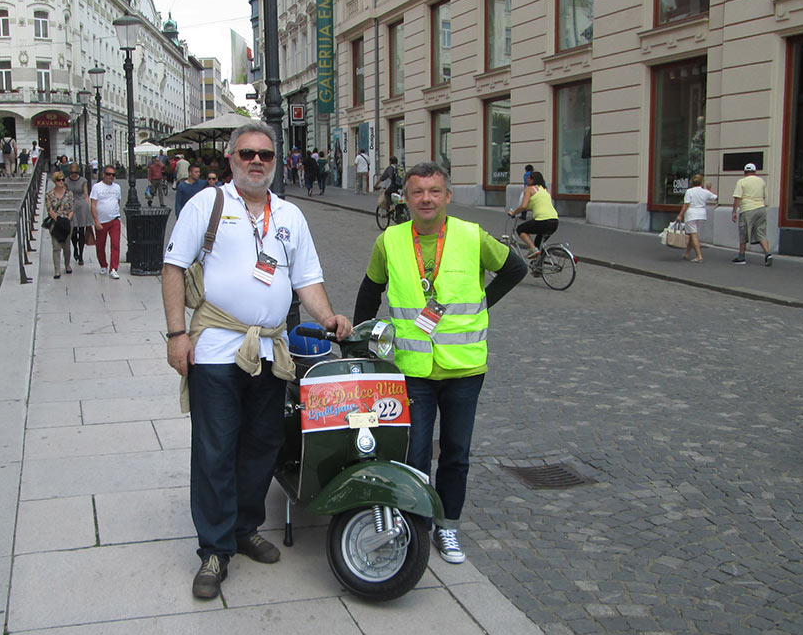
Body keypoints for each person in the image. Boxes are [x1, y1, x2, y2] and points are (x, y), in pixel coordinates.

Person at [161, 120, 353, 599]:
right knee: (215, 450)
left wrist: (329, 317)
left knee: (263, 446)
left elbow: (306, 278)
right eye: (247, 153)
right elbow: (173, 268)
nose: (256, 162)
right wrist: (176, 335)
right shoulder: (208, 204)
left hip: (270, 351)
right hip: (215, 351)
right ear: (231, 158)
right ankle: (214, 549)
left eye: (265, 155)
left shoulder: (289, 215)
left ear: (274, 161)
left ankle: (244, 528)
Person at [355, 161, 526, 564]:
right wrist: (360, 343)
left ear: (447, 196)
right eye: (417, 192)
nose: (426, 199)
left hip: (464, 368)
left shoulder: (471, 235)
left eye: (434, 191)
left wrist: (483, 304)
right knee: (414, 454)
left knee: (455, 453)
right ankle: (416, 528)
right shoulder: (390, 241)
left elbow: (514, 269)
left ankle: (447, 526)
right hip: (413, 370)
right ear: (406, 198)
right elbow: (369, 292)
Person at [507, 170, 559, 259]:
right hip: (554, 221)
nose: (527, 179)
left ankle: (532, 249)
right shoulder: (545, 189)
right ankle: (538, 264)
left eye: (529, 178)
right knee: (538, 244)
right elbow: (536, 205)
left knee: (521, 229)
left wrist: (513, 213)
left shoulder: (529, 189)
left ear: (532, 179)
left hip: (543, 221)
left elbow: (523, 206)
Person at [731, 162, 772, 266]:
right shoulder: (761, 181)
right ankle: (768, 254)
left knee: (743, 232)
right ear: (755, 171)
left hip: (747, 209)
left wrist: (734, 211)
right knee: (761, 232)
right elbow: (764, 196)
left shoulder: (741, 181)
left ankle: (741, 256)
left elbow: (737, 197)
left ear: (745, 172)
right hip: (761, 208)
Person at [90, 165, 123, 279]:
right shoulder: (97, 187)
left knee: (115, 244)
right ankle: (103, 264)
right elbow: (93, 204)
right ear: (103, 174)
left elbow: (118, 201)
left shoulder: (117, 187)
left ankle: (113, 268)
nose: (111, 176)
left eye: (113, 175)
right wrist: (96, 221)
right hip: (101, 221)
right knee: (100, 245)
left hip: (114, 219)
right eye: (108, 174)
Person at [676, 173, 717, 262]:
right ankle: (687, 253)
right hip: (701, 215)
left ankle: (699, 256)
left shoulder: (689, 191)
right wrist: (709, 189)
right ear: (702, 182)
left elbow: (686, 204)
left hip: (691, 214)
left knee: (693, 235)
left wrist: (680, 215)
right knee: (692, 234)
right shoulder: (705, 191)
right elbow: (715, 197)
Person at [45, 171, 74, 279]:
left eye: (62, 180)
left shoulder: (69, 193)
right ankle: (57, 270)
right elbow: (49, 209)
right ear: (54, 181)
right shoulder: (50, 194)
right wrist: (58, 220)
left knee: (66, 246)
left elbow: (72, 208)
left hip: (67, 222)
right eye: (58, 180)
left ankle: (67, 264)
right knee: (56, 246)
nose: (61, 182)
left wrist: (67, 220)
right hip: (55, 222)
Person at [65, 163, 92, 266]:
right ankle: (75, 248)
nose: (74, 174)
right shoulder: (66, 181)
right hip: (71, 205)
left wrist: (88, 205)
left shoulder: (83, 181)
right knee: (73, 231)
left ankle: (81, 254)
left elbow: (86, 194)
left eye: (76, 172)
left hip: (81, 205)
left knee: (81, 231)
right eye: (72, 172)